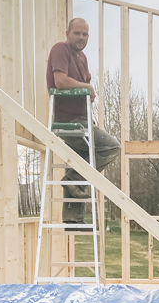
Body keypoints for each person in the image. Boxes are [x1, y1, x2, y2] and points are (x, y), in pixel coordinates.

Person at [46, 17, 120, 223]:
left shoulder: (83, 58)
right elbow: (60, 81)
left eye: (85, 34)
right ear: (67, 33)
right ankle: (72, 179)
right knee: (111, 147)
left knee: (80, 162)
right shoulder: (60, 49)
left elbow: (81, 84)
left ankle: (73, 219)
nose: (81, 37)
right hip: (70, 120)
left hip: (83, 119)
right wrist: (88, 87)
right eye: (77, 33)